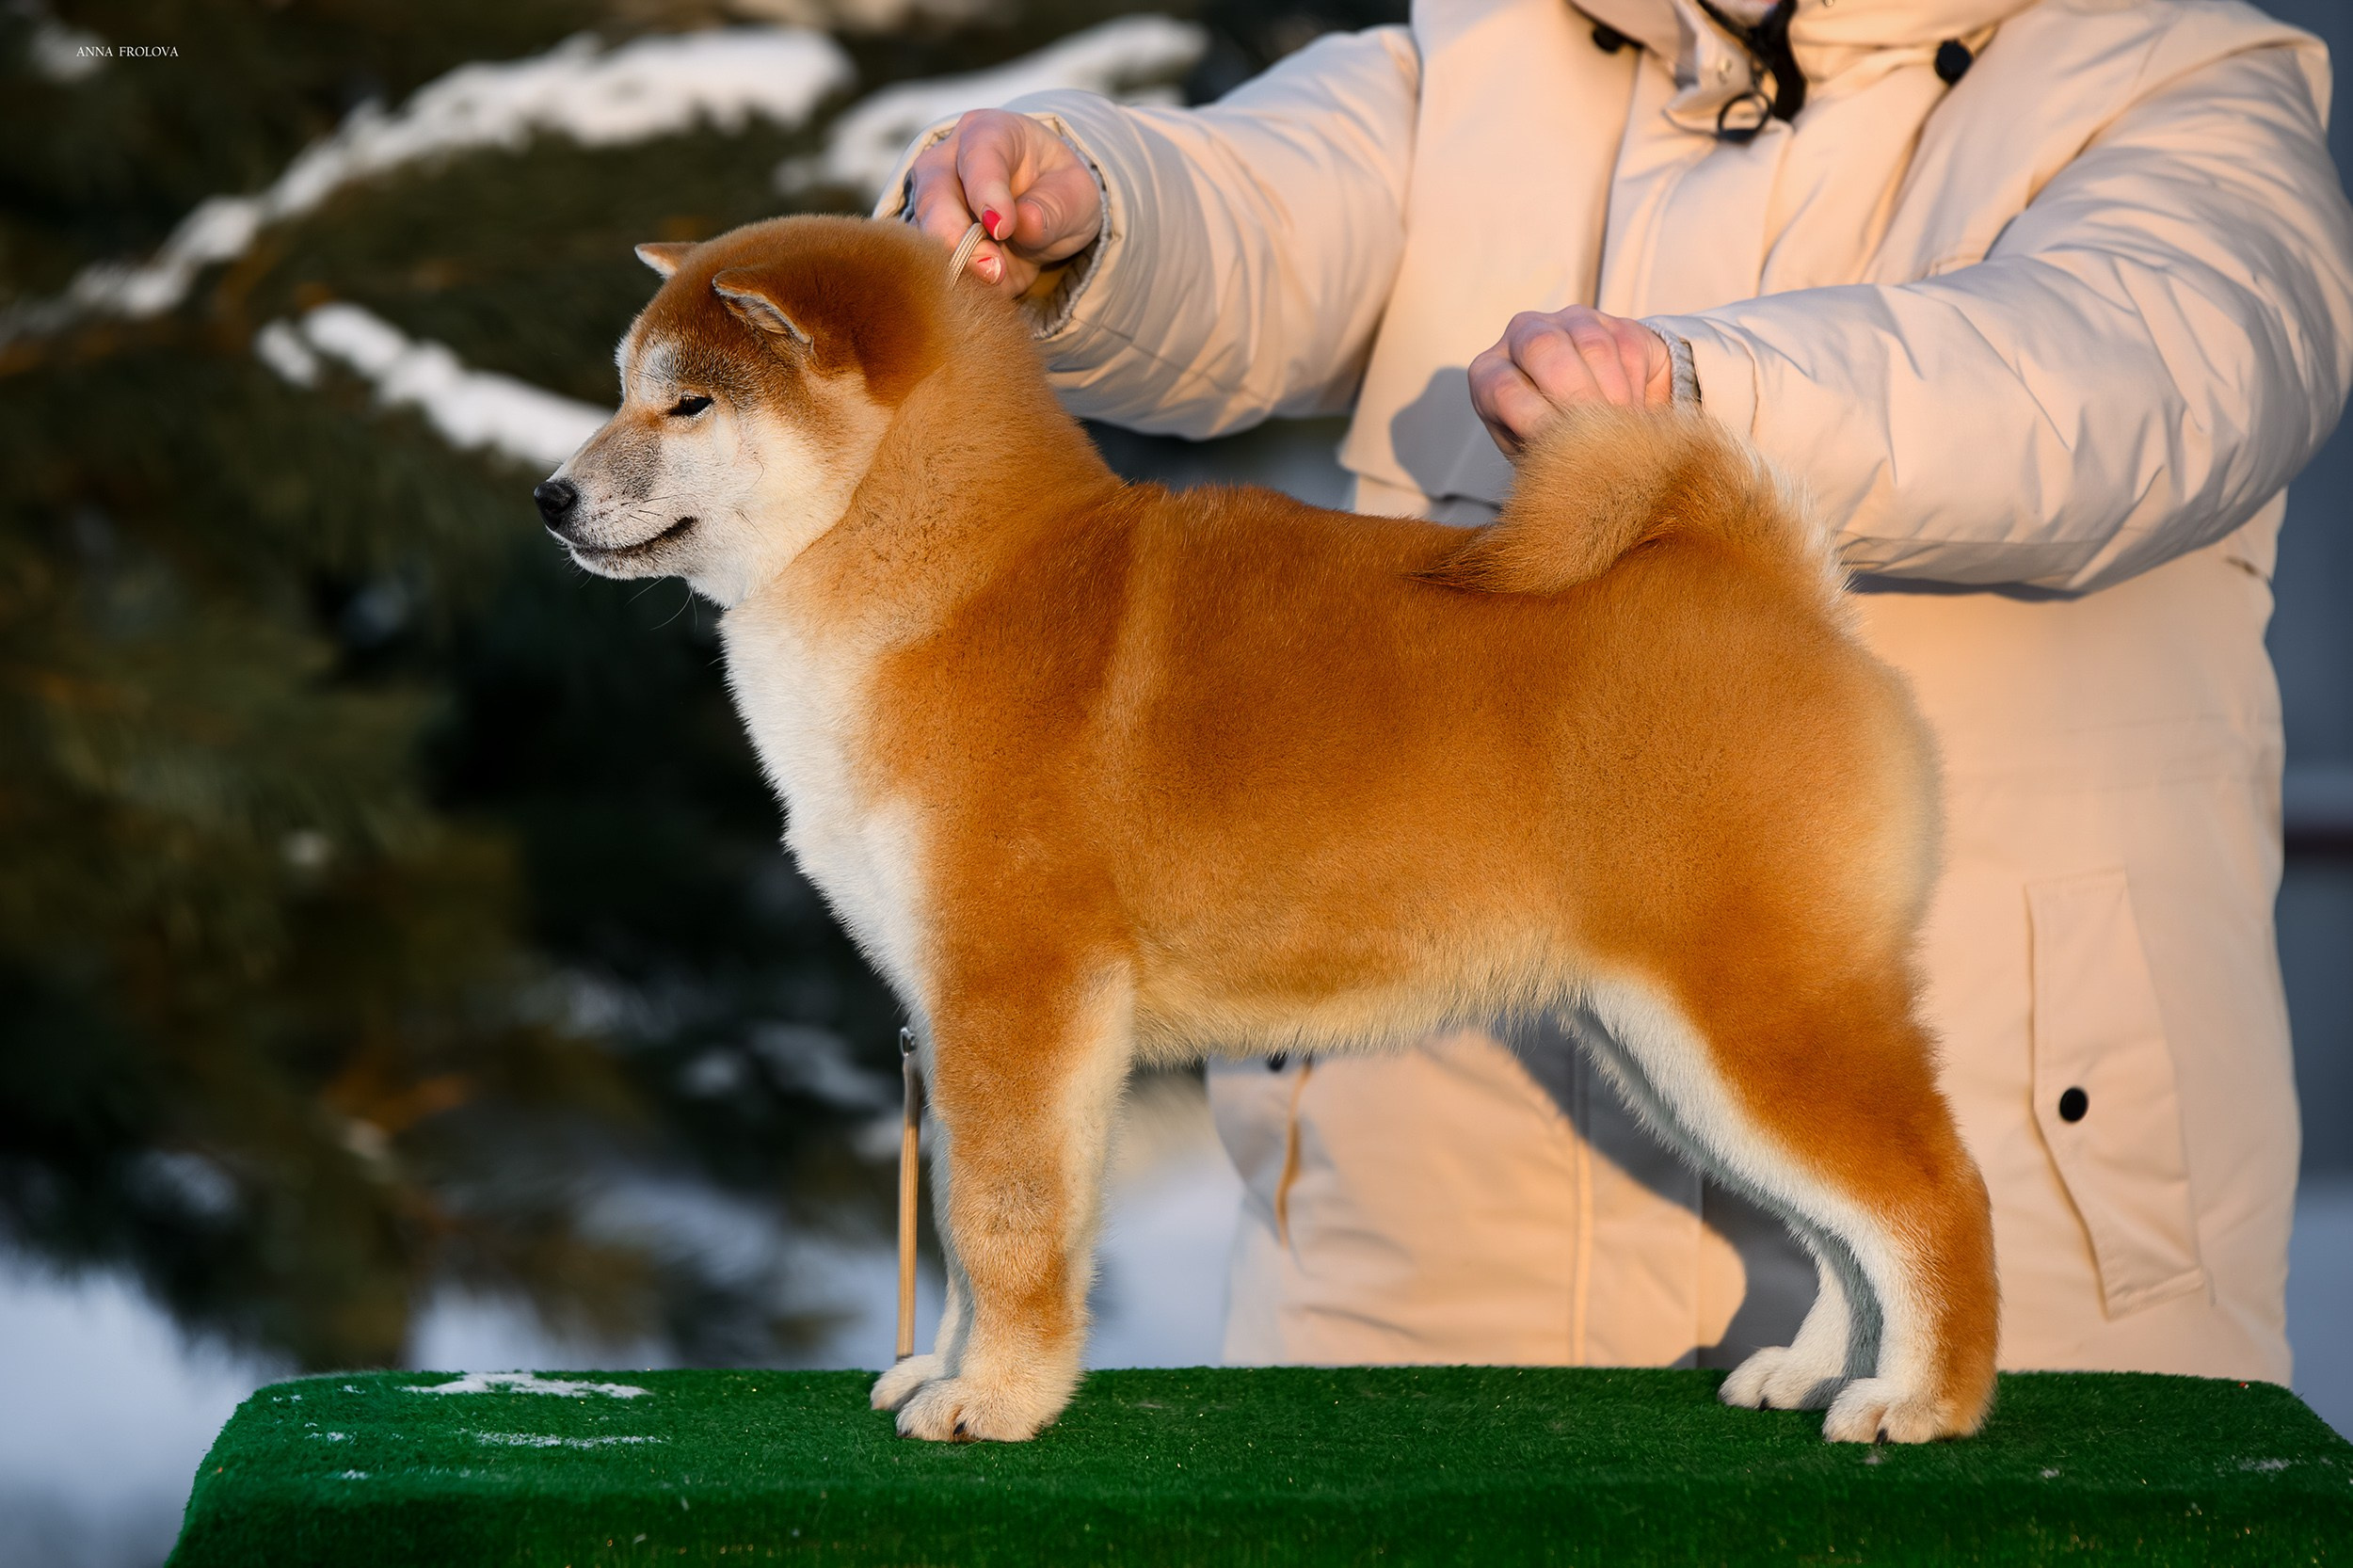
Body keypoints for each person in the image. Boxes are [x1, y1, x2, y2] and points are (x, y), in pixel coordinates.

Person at [880, 0, 2353, 1383]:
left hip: (2030, 1194)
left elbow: (2132, 377)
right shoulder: (1491, 55)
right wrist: (1090, 210)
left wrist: (1709, 406)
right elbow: (1259, 201)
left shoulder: (2184, 81)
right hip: (1430, 1242)